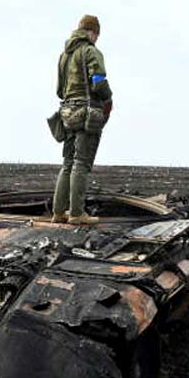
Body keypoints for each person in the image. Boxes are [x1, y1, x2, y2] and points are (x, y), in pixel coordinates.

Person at [52, 14, 113, 225]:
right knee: (81, 163)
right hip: (86, 112)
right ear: (92, 32)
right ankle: (77, 213)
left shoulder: (64, 56)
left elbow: (59, 91)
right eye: (96, 33)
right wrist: (108, 98)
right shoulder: (90, 51)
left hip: (67, 113)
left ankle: (59, 212)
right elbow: (98, 81)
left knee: (67, 162)